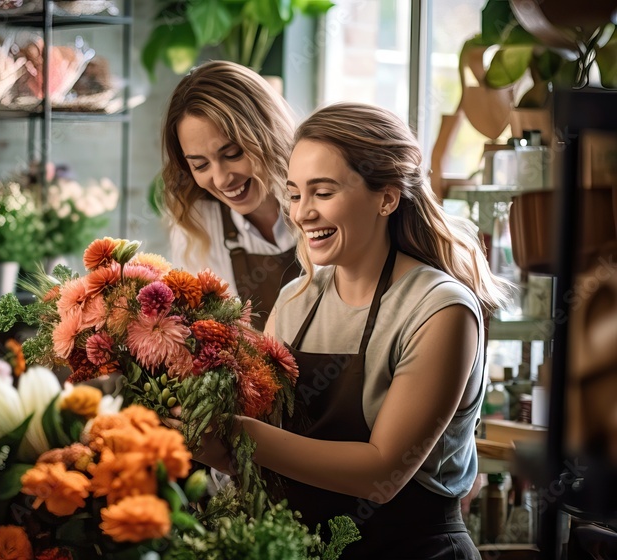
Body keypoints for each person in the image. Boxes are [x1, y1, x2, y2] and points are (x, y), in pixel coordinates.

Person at [193, 103, 513, 558]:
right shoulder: (297, 300)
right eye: (295, 194)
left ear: (386, 197)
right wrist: (197, 436)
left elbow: (381, 475)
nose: (303, 213)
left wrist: (236, 431)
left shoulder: (439, 308)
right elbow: (268, 454)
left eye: (322, 192)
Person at [161, 60, 301, 330]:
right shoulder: (197, 223)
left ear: (268, 133)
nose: (222, 178)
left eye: (233, 154)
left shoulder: (322, 202)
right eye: (200, 165)